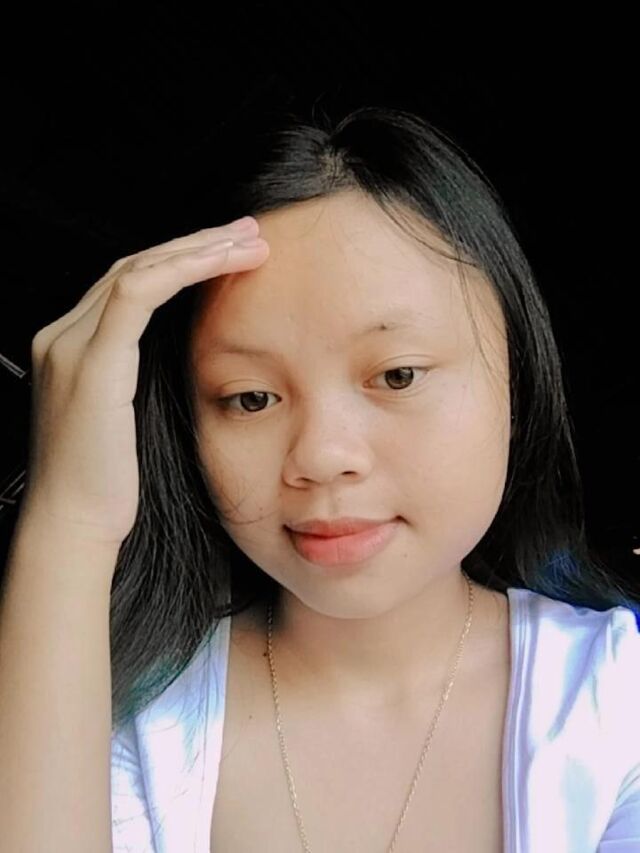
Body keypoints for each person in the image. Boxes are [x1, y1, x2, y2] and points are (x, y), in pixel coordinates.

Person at [1, 106, 638, 852]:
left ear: (519, 383)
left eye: (397, 375)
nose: (322, 455)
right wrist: (70, 522)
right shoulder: (120, 721)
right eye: (250, 398)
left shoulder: (617, 705)